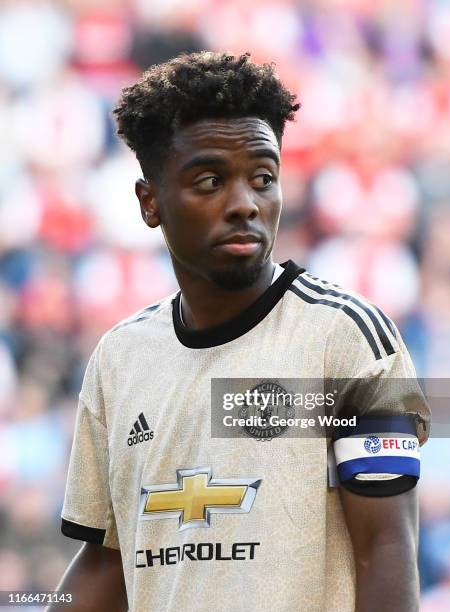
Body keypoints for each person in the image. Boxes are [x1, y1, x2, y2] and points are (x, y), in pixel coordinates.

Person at [50, 52, 430, 612]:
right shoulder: (119, 358)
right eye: (210, 180)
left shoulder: (346, 338)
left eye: (263, 178)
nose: (245, 205)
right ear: (149, 201)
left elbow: (387, 548)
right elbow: (107, 562)